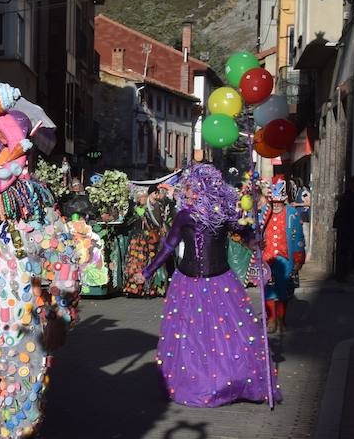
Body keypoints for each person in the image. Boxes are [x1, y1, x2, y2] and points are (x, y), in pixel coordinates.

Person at [134, 163, 280, 408]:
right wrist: (147, 272)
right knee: (191, 339)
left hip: (219, 281)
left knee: (224, 338)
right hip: (187, 282)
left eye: (192, 188)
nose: (188, 193)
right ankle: (198, 383)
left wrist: (254, 241)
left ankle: (225, 382)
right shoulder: (184, 215)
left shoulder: (223, 213)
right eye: (187, 189)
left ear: (206, 188)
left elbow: (241, 232)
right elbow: (169, 247)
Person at [258, 180, 305, 334]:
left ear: (284, 201)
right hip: (267, 258)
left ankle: (280, 320)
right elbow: (256, 232)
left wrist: (298, 258)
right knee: (269, 290)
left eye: (279, 202)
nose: (276, 205)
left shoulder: (292, 213)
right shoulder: (265, 211)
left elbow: (298, 237)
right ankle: (271, 320)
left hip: (286, 259)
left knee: (284, 290)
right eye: (273, 202)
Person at [122, 188, 171, 297]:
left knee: (149, 261)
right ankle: (133, 288)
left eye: (145, 197)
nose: (143, 199)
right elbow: (127, 222)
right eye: (141, 197)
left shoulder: (151, 208)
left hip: (149, 239)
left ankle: (149, 288)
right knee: (135, 262)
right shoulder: (134, 209)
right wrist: (137, 216)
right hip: (137, 239)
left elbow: (157, 222)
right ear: (138, 199)